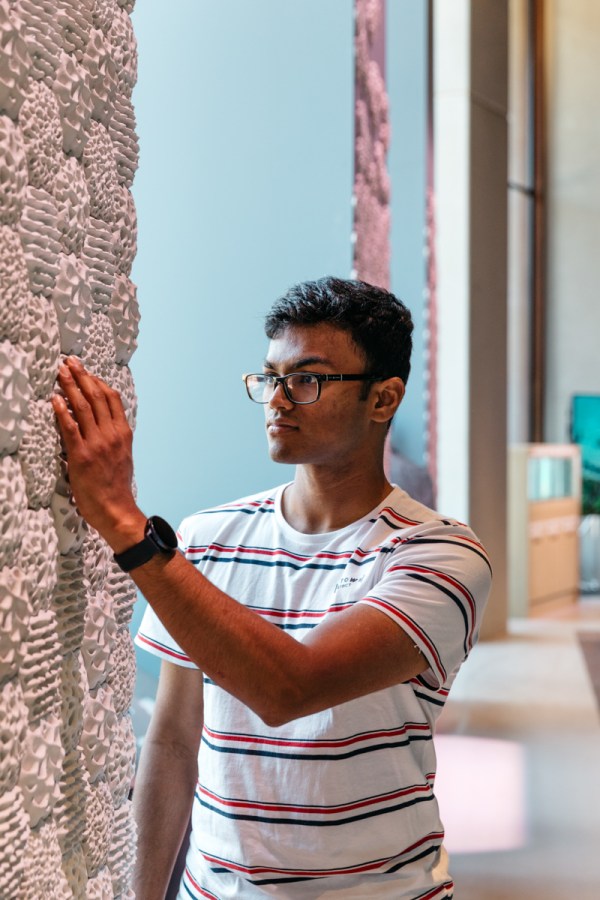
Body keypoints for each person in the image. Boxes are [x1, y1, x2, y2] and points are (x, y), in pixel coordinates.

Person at [53, 276, 492, 900]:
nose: (278, 400)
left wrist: (127, 526)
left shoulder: (439, 555)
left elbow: (290, 688)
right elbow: (174, 742)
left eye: (307, 379)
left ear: (383, 399)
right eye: (270, 378)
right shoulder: (205, 538)